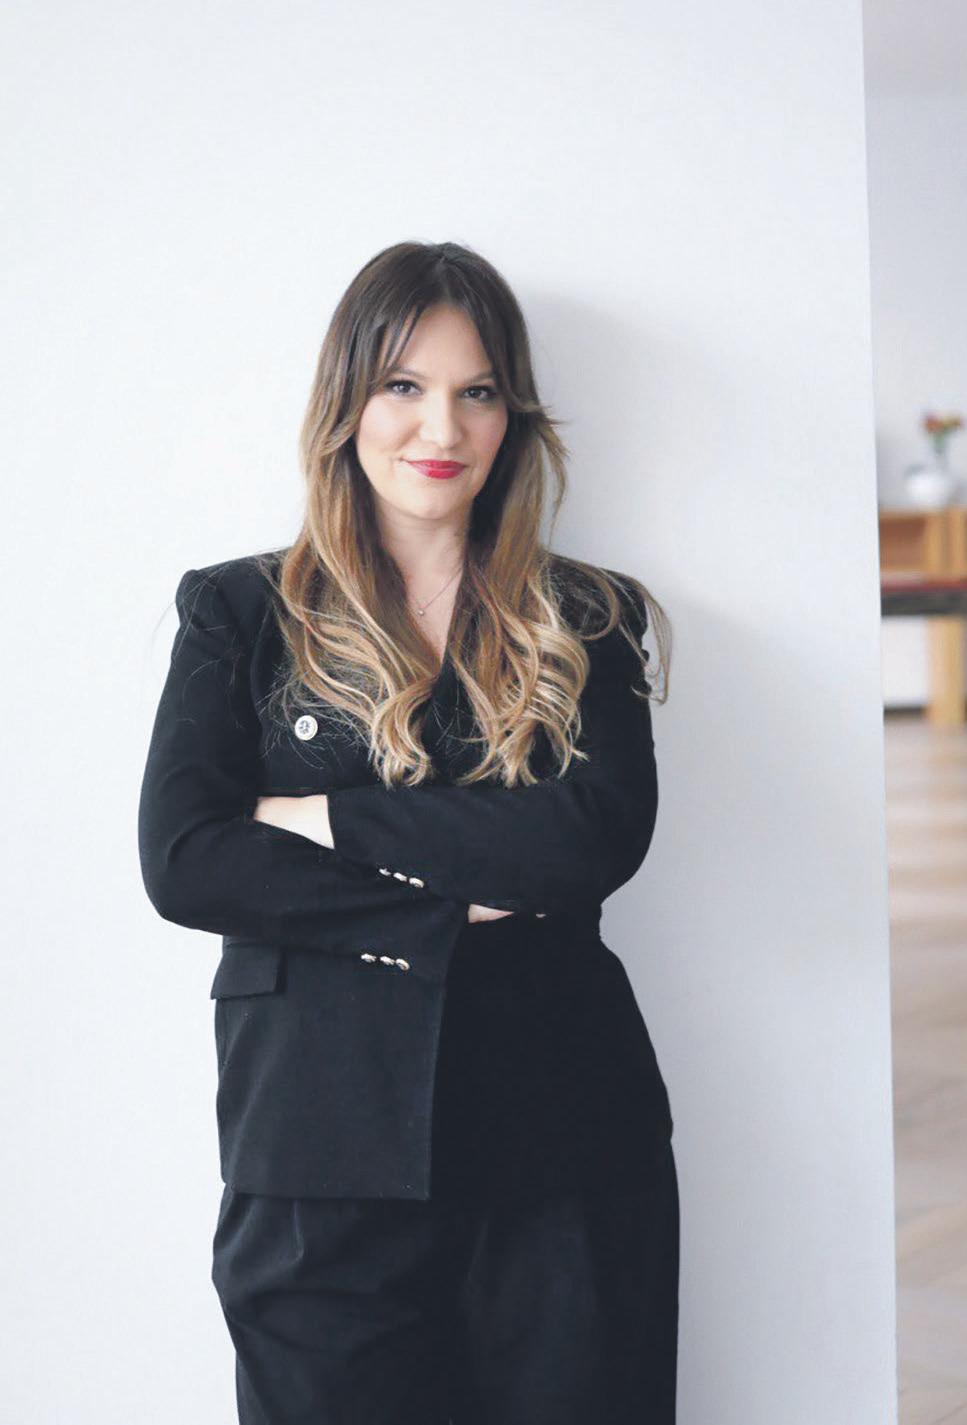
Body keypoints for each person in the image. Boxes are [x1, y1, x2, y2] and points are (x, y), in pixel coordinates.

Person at [137, 239, 679, 1424]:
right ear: (347, 401)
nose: (442, 427)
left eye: (476, 390)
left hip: (564, 1142)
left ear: (510, 414)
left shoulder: (587, 615)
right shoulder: (238, 612)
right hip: (314, 1152)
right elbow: (186, 861)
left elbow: (589, 842)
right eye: (404, 385)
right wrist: (458, 899)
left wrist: (320, 817)